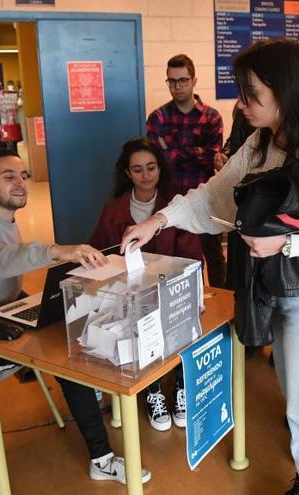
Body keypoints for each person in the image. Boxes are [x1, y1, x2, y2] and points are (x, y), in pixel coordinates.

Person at [122, 39, 299, 495]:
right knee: (298, 387)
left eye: (251, 93)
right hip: (276, 286)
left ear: (284, 92)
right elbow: (214, 194)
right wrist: (158, 221)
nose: (242, 103)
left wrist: (291, 244)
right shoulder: (260, 145)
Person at [0, 148, 151, 485]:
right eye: (8, 177)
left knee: (72, 332)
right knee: (66, 356)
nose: (20, 183)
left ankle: (94, 414)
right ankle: (102, 458)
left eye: (23, 175)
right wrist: (55, 251)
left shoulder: (5, 221)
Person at [87, 138, 203, 431]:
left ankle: (181, 386)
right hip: (130, 293)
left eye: (151, 167)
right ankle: (151, 391)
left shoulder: (175, 207)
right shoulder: (114, 209)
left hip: (172, 288)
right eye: (137, 169)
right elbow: (99, 251)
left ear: (160, 169)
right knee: (133, 323)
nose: (146, 175)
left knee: (183, 326)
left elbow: (191, 257)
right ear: (128, 174)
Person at [146, 54, 226, 289]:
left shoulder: (212, 117)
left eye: (183, 80)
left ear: (194, 80)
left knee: (213, 256)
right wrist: (198, 153)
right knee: (178, 258)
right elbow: (161, 160)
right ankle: (188, 303)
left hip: (205, 199)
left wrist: (175, 151)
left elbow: (214, 155)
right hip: (170, 200)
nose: (177, 86)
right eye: (171, 81)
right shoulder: (157, 117)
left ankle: (220, 302)